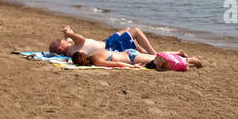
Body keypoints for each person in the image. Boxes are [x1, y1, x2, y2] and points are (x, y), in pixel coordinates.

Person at [49, 24, 158, 58]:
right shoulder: (74, 48)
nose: (61, 39)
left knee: (127, 30)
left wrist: (67, 31)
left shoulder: (69, 49)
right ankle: (153, 54)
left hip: (107, 42)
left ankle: (143, 52)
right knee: (136, 31)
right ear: (60, 48)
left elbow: (69, 37)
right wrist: (68, 34)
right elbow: (80, 38)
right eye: (59, 40)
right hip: (110, 48)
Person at [70, 48, 204, 70]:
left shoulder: (96, 61)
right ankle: (178, 53)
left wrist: (132, 67)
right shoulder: (95, 53)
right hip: (129, 52)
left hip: (132, 57)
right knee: (156, 57)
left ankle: (190, 59)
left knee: (159, 58)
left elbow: (116, 64)